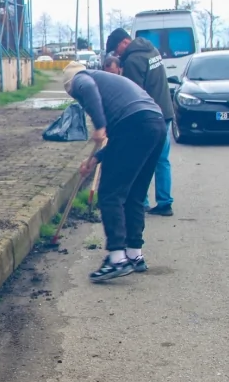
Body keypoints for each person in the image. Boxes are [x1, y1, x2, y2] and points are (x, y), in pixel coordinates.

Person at [63, 61, 167, 283]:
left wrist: (99, 126)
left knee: (110, 194)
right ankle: (134, 254)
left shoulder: (79, 77)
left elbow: (88, 89)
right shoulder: (110, 84)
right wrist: (95, 159)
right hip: (154, 124)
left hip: (135, 125)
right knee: (134, 195)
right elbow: (122, 141)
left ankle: (117, 258)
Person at [105, 28, 175, 217]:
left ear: (124, 43)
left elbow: (133, 94)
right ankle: (165, 202)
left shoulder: (133, 60)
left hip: (148, 116)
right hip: (165, 111)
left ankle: (140, 201)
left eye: (116, 50)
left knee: (141, 158)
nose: (117, 54)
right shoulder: (152, 50)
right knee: (162, 159)